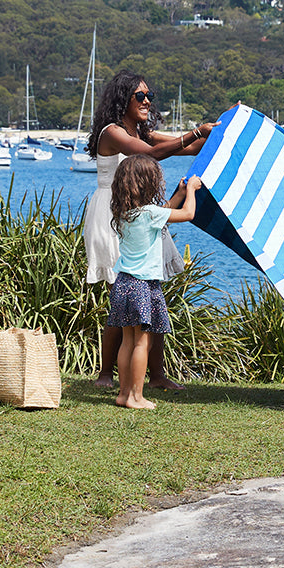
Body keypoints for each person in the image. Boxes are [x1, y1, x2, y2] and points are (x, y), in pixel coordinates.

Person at [82, 71, 217, 387]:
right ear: (123, 100)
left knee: (151, 295)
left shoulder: (141, 131)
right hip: (112, 213)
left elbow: (188, 148)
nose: (146, 101)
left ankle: (157, 376)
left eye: (149, 96)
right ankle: (105, 375)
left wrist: (220, 129)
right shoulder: (113, 132)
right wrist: (196, 131)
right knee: (122, 297)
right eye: (139, 96)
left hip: (138, 212)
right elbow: (148, 153)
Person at [108, 155, 202, 409]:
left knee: (128, 341)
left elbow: (164, 213)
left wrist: (179, 193)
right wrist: (191, 190)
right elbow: (187, 214)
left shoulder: (124, 212)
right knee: (142, 342)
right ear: (149, 184)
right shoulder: (150, 213)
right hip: (142, 285)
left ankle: (124, 394)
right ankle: (136, 397)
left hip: (123, 283)